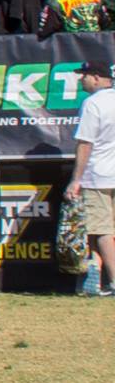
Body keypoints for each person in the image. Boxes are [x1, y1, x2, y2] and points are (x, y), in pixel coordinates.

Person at [66, 60, 115, 297]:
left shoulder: (92, 103)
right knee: (101, 230)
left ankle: (114, 281)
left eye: (83, 75)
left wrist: (76, 179)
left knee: (102, 230)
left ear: (96, 77)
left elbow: (85, 143)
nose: (81, 80)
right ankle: (94, 277)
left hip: (98, 176)